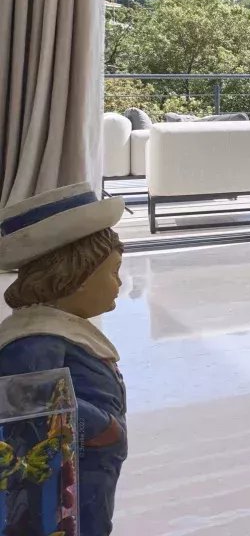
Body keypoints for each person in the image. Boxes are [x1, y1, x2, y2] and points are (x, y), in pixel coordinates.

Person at [0, 184, 129, 536]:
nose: (119, 282)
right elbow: (34, 404)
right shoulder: (34, 343)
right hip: (67, 483)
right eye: (113, 271)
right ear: (78, 279)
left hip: (90, 469)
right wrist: (104, 429)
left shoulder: (61, 332)